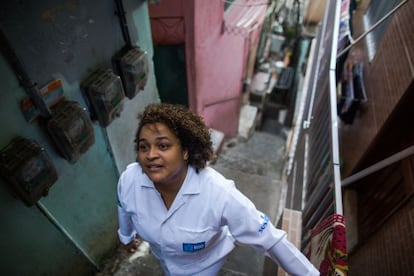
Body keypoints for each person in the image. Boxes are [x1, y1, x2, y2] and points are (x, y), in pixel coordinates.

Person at [117, 103, 319, 276]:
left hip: (203, 268)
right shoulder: (129, 180)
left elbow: (270, 240)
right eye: (144, 147)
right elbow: (124, 207)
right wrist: (126, 236)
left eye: (162, 146)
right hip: (164, 261)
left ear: (186, 150)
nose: (150, 155)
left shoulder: (220, 195)